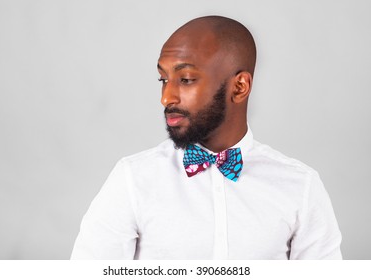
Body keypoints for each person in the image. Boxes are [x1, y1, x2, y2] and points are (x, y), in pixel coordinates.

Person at [71, 16, 342, 259]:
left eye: (186, 79)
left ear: (239, 87)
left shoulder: (300, 187)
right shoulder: (133, 180)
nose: (166, 98)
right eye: (162, 79)